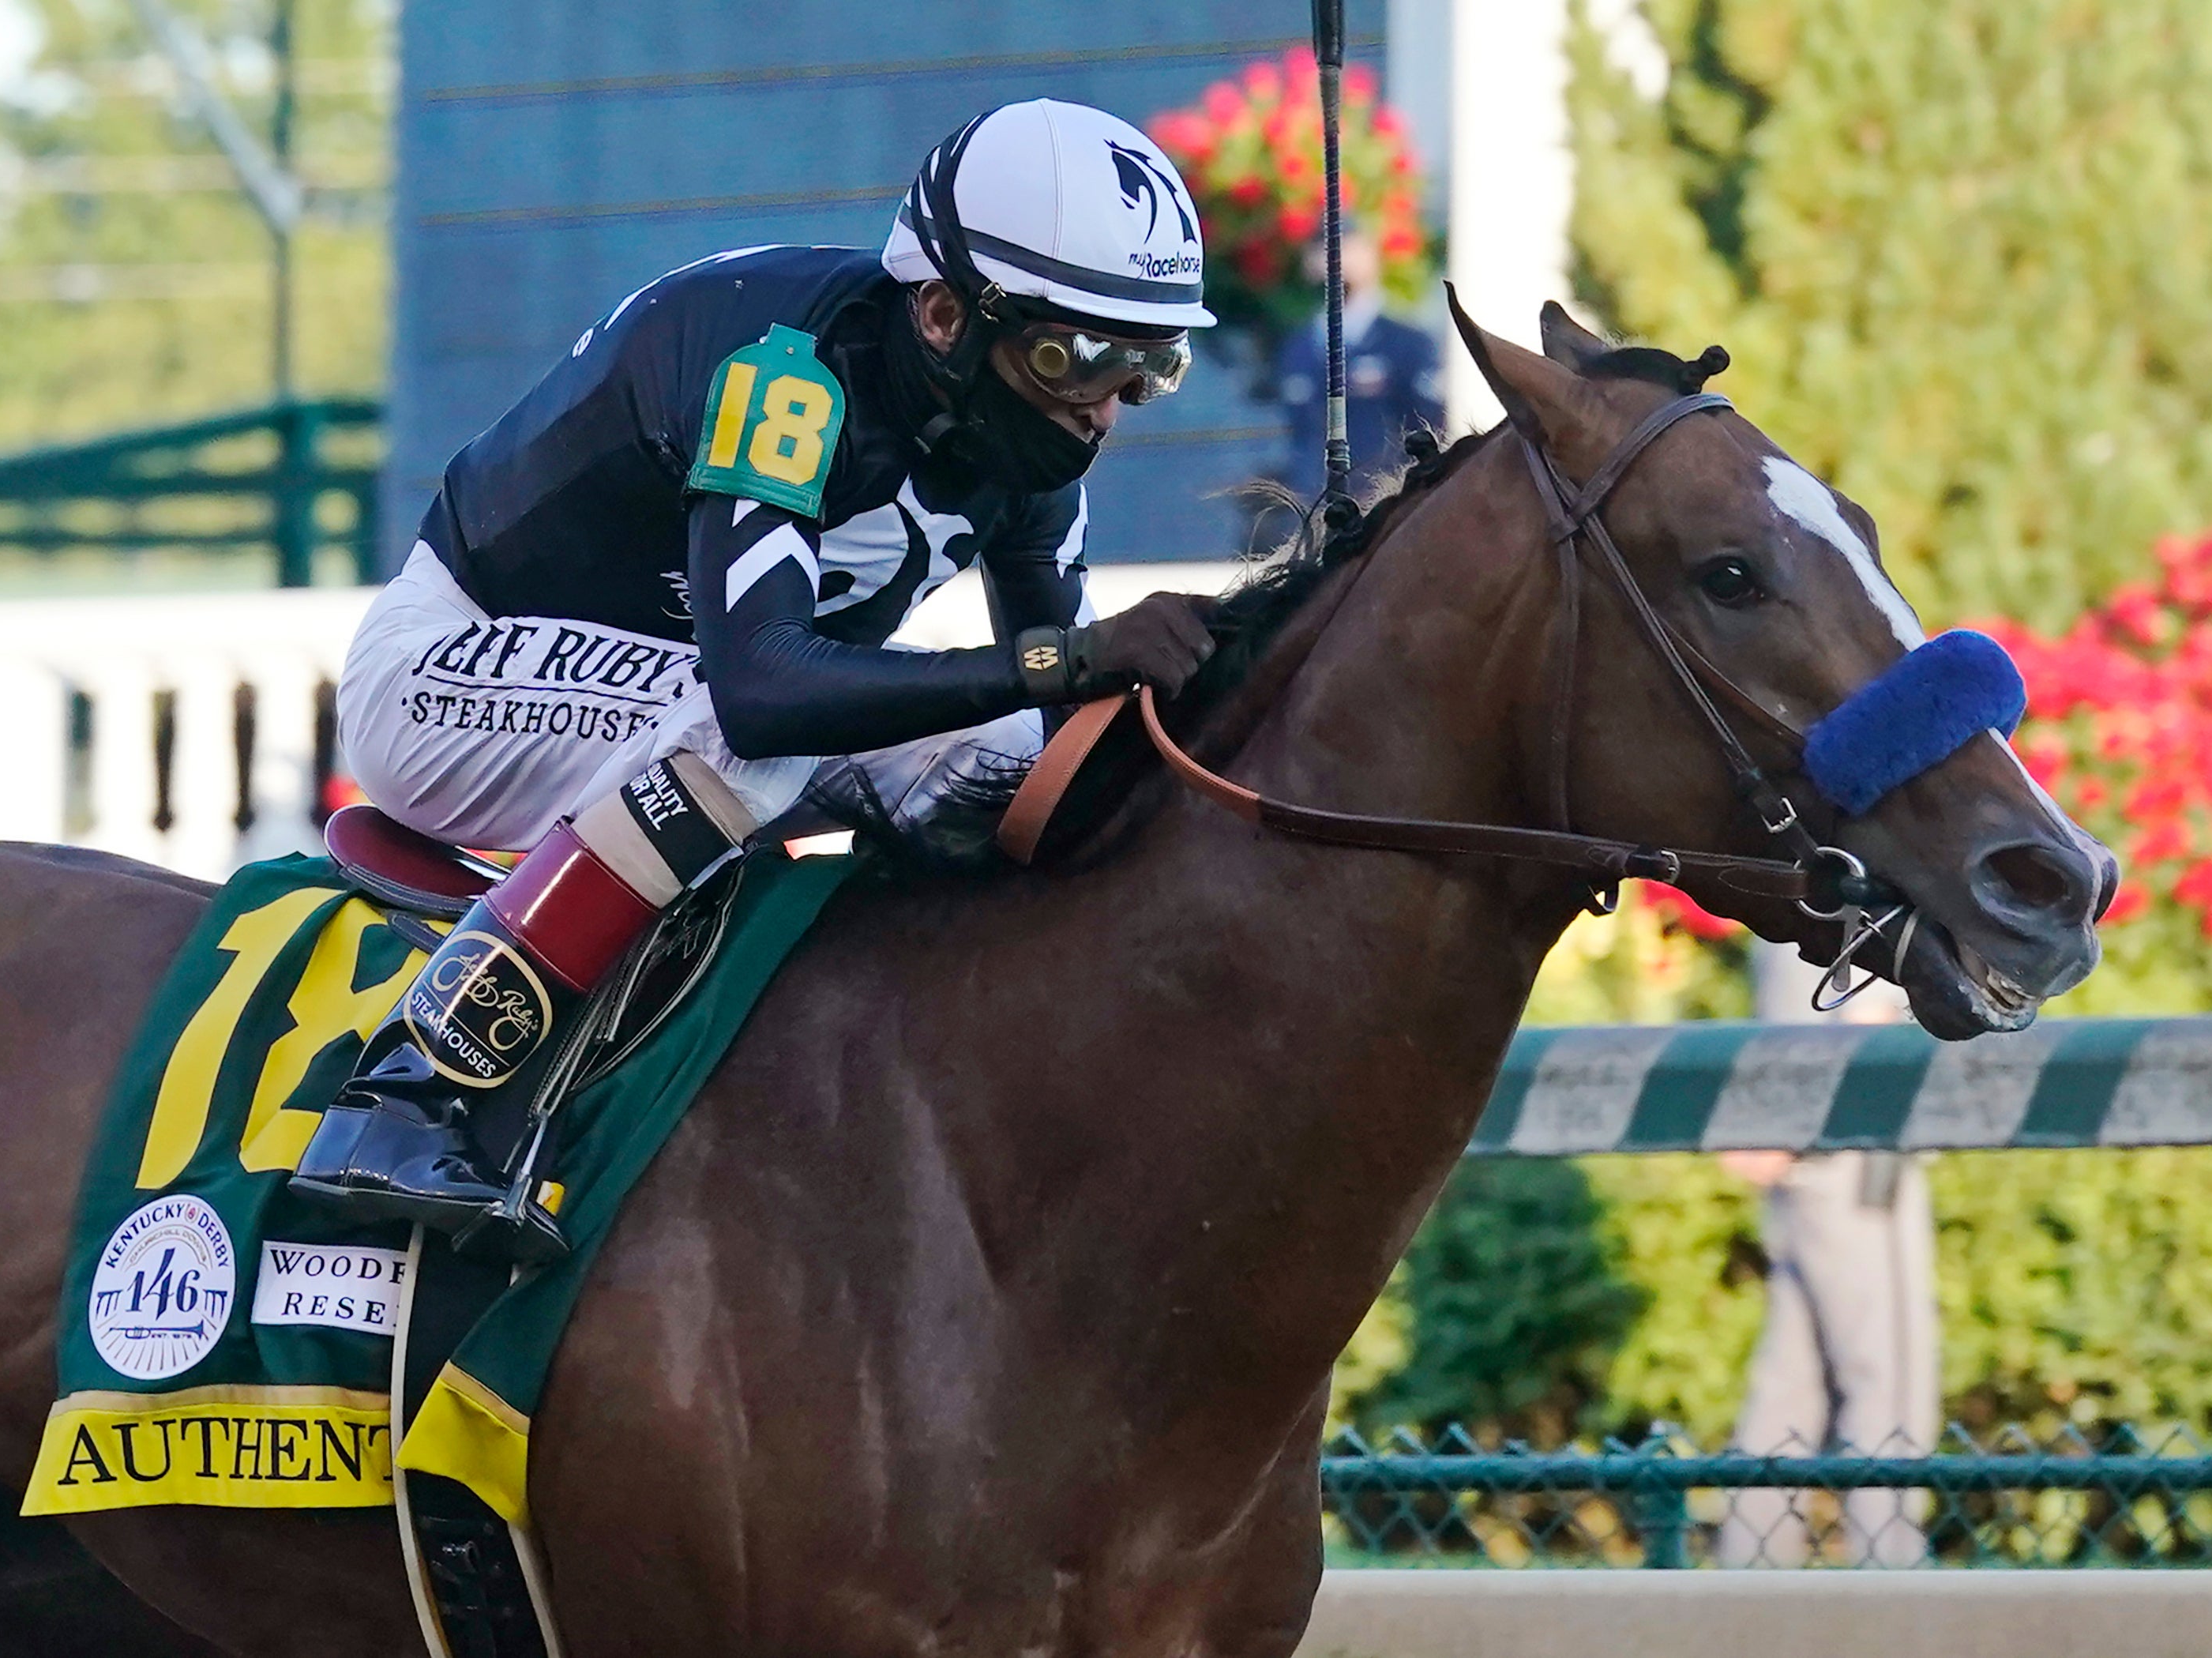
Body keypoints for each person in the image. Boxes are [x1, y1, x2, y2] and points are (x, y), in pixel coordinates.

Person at [289, 100, 1226, 1259]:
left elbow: (1065, 731)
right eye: (1077, 355)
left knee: (1012, 770)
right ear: (943, 312)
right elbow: (764, 688)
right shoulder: (785, 373)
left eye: (1149, 364)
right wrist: (1068, 656)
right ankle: (407, 1089)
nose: (1107, 402)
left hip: (660, 708)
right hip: (449, 673)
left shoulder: (1030, 452)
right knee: (753, 738)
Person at [1716, 942, 1942, 1567]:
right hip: (1852, 1158)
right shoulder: (1855, 863)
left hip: (1809, 1159)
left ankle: (1743, 1595)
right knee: (1889, 1388)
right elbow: (1864, 1026)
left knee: (1789, 1391)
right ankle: (1892, 1593)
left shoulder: (1794, 858)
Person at [1271, 217, 1442, 494]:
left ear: (1371, 255)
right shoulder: (1299, 346)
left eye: (1348, 248)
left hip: (1382, 505)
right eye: (1325, 249)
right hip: (1312, 502)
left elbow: (1429, 427)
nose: (1337, 260)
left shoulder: (1407, 343)